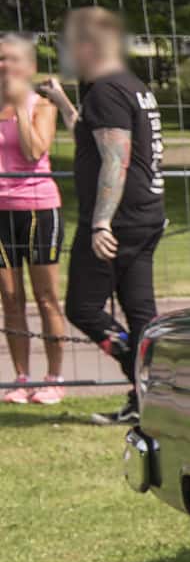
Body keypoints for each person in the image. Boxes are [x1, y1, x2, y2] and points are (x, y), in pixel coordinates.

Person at [40, 7, 164, 426]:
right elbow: (95, 137)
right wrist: (61, 100)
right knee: (139, 310)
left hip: (120, 220)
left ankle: (148, 378)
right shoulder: (129, 86)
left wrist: (100, 222)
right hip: (145, 214)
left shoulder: (107, 91)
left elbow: (116, 160)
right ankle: (149, 396)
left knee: (84, 307)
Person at [0, 31, 66, 405]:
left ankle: (55, 379)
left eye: (11, 58)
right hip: (0, 212)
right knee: (10, 299)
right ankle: (21, 379)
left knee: (45, 298)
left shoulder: (42, 103)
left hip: (39, 208)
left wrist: (19, 106)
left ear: (29, 66)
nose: (4, 65)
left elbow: (33, 150)